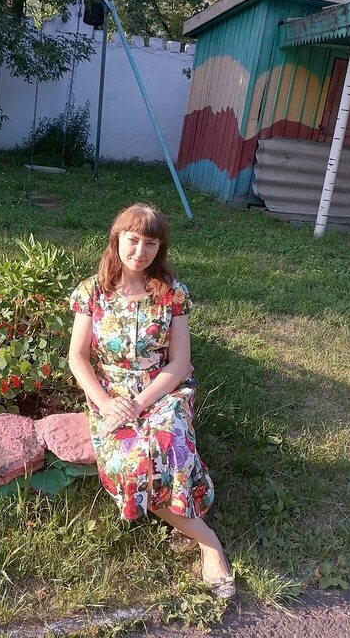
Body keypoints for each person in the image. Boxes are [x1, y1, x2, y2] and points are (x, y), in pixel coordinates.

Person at [68, 203, 236, 599]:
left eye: (150, 243)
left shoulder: (172, 294)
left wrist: (140, 403)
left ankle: (208, 544)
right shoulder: (92, 292)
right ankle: (204, 535)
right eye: (133, 240)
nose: (140, 251)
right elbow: (77, 357)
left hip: (162, 389)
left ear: (160, 248)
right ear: (117, 240)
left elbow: (180, 363)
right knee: (132, 463)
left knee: (169, 446)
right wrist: (106, 403)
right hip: (110, 394)